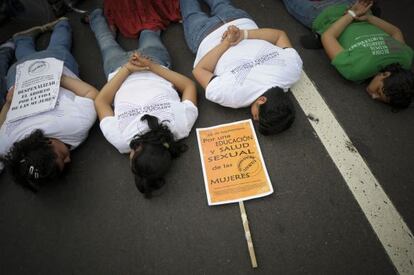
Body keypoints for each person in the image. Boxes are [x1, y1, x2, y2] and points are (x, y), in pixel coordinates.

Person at [88, 9, 198, 198]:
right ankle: (96, 15)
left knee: (144, 30)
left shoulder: (181, 127)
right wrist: (143, 66)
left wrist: (132, 69)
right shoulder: (123, 141)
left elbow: (188, 86)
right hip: (135, 65)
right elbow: (101, 101)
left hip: (139, 65)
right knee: (108, 39)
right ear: (137, 150)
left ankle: (106, 16)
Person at [0, 18, 98, 191]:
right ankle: (26, 38)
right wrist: (8, 104)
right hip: (16, 76)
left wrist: (58, 78)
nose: (68, 159)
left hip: (56, 65)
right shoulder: (5, 146)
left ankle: (61, 23)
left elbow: (92, 95)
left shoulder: (76, 126)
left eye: (61, 156)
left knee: (58, 47)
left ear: (48, 143)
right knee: (26, 57)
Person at [180, 0, 303, 135]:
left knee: (220, 3)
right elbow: (199, 70)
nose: (254, 118)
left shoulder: (293, 70)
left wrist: (242, 34)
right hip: (204, 36)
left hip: (238, 20)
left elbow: (279, 35)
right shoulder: (233, 97)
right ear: (262, 100)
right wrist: (226, 43)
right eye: (256, 117)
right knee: (190, 9)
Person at [282, 0, 414, 108]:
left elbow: (396, 32)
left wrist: (368, 17)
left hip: (358, 5)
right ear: (385, 74)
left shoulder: (406, 58)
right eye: (379, 91)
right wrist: (351, 15)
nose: (374, 96)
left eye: (380, 99)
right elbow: (328, 36)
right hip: (325, 15)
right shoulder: (356, 70)